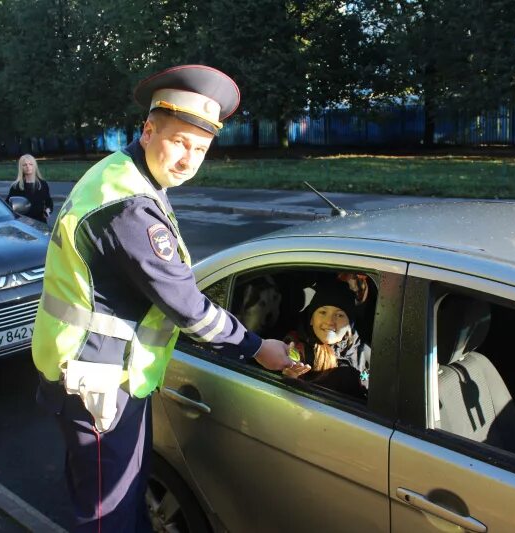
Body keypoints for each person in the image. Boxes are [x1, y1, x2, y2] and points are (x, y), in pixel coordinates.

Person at [31, 64, 308, 533]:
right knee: (107, 517)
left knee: (123, 496)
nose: (188, 159)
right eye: (179, 141)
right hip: (98, 381)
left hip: (102, 376)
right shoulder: (127, 208)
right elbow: (188, 308)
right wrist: (261, 349)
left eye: (200, 149)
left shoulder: (122, 174)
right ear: (148, 129)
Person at [282, 280, 371, 399]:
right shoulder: (296, 349)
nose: (329, 321)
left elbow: (370, 379)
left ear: (349, 325)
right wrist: (290, 378)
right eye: (323, 312)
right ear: (311, 320)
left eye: (339, 315)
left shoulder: (361, 350)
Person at [5, 154, 53, 223]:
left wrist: (48, 210)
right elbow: (9, 205)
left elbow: (49, 202)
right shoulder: (16, 186)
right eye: (25, 165)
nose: (28, 167)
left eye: (31, 164)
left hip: (40, 222)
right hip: (23, 223)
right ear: (21, 167)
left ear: (35, 166)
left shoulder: (43, 184)